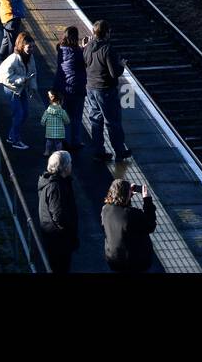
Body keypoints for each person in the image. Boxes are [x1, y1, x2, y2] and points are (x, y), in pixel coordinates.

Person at [84, 19, 131, 162]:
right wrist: (121, 65)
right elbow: (114, 73)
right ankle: (119, 151)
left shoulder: (88, 46)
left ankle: (98, 151)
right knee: (112, 121)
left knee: (95, 120)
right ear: (107, 32)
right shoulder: (108, 49)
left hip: (91, 87)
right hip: (105, 89)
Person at [101, 179, 156, 273]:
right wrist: (147, 200)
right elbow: (151, 225)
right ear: (127, 194)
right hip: (135, 263)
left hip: (113, 259)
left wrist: (128, 195)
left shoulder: (105, 209)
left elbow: (120, 211)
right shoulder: (133, 214)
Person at [38, 151, 79, 274]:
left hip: (53, 238)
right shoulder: (56, 187)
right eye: (70, 163)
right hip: (59, 241)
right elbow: (59, 216)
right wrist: (70, 232)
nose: (71, 165)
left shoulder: (50, 182)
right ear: (64, 167)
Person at [0, 32, 37, 150]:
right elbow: (2, 77)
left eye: (32, 46)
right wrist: (20, 80)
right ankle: (16, 140)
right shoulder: (12, 59)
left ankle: (11, 136)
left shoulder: (30, 57)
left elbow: (33, 73)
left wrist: (33, 88)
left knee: (24, 113)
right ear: (21, 46)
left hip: (21, 89)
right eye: (29, 47)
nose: (31, 49)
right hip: (12, 90)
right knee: (19, 114)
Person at [52, 26, 87, 149]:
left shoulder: (61, 49)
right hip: (76, 88)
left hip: (61, 87)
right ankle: (75, 141)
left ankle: (63, 140)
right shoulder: (79, 53)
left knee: (63, 116)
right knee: (76, 116)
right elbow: (84, 62)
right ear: (76, 37)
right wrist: (85, 48)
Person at [42, 90, 70, 157]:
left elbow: (43, 120)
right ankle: (58, 153)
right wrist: (66, 123)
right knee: (58, 143)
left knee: (49, 142)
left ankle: (47, 152)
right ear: (60, 101)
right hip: (59, 132)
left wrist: (43, 124)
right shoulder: (62, 111)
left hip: (49, 132)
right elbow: (67, 121)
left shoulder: (47, 111)